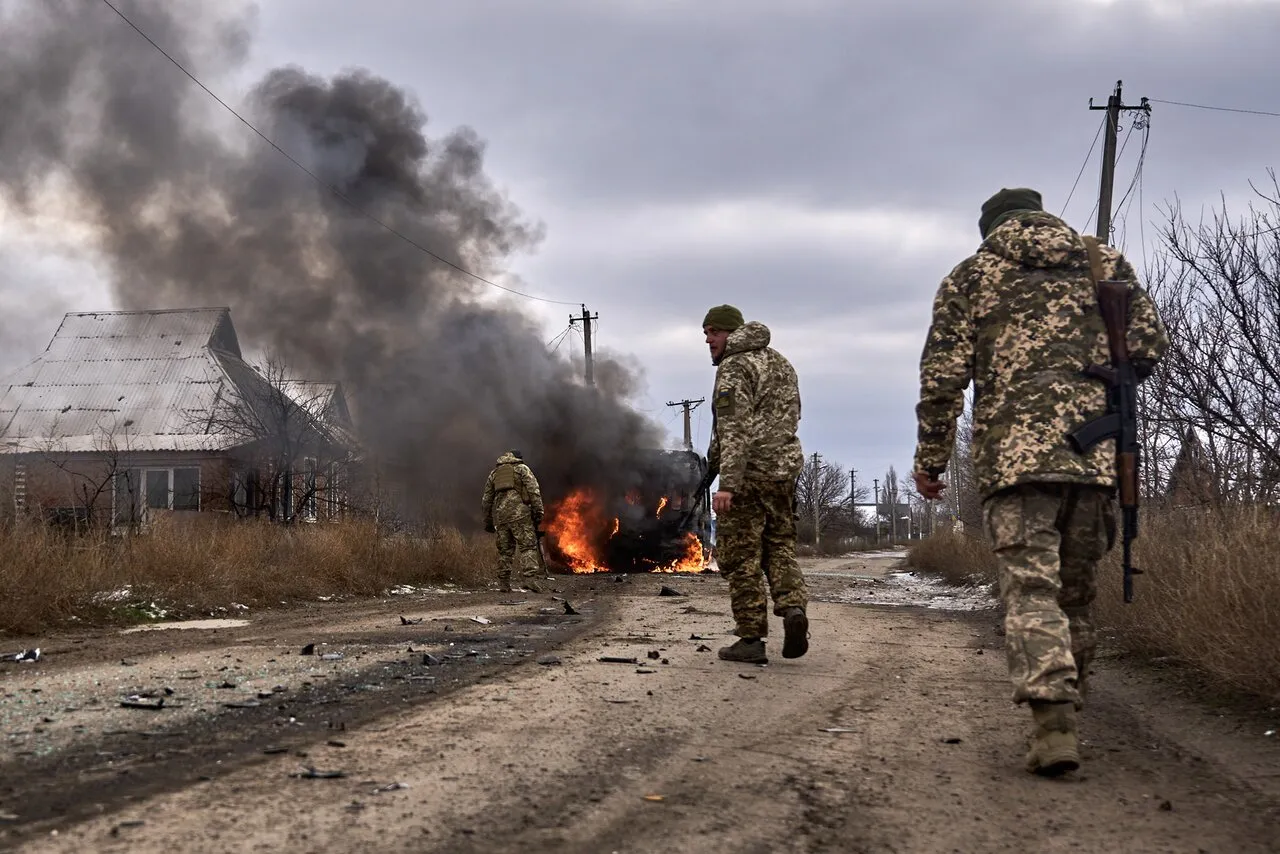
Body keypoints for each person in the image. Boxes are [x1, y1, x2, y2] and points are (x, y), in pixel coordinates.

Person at [911, 188, 1169, 776]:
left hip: (1015, 466)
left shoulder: (971, 275)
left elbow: (942, 379)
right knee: (1075, 595)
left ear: (990, 228)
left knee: (1030, 591)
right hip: (1098, 459)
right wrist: (1097, 381)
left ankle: (1053, 724)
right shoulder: (1103, 262)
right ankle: (1070, 705)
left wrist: (932, 460)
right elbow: (1151, 347)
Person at [702, 304, 809, 664]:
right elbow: (791, 416)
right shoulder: (780, 363)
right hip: (783, 473)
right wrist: (709, 467)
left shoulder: (735, 366)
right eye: (705, 333)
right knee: (779, 546)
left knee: (740, 556)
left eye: (713, 332)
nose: (708, 339)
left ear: (731, 333)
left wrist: (726, 483)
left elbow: (734, 430)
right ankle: (793, 608)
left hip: (748, 476)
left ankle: (751, 639)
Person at [481, 449, 546, 594]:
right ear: (518, 458)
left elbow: (486, 499)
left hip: (502, 517)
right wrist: (538, 512)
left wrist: (488, 521)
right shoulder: (522, 469)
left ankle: (504, 583)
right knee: (527, 546)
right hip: (520, 515)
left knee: (505, 551)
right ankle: (529, 580)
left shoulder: (494, 473)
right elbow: (534, 491)